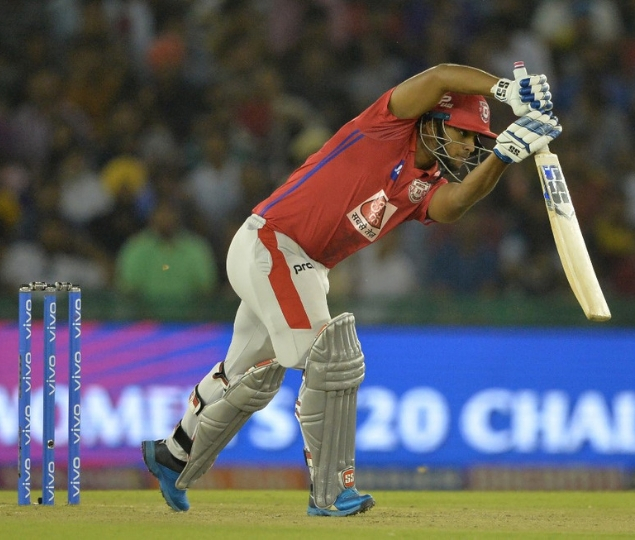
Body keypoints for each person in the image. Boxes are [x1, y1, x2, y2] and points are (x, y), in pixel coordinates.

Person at [142, 62, 560, 515]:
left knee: (247, 372)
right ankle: (330, 492)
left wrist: (503, 156)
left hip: (302, 264)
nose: (470, 147)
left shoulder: (425, 184)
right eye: (464, 133)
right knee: (331, 357)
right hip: (273, 243)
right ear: (432, 121)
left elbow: (454, 205)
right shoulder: (386, 126)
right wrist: (504, 89)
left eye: (478, 140)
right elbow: (440, 76)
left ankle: (173, 453)